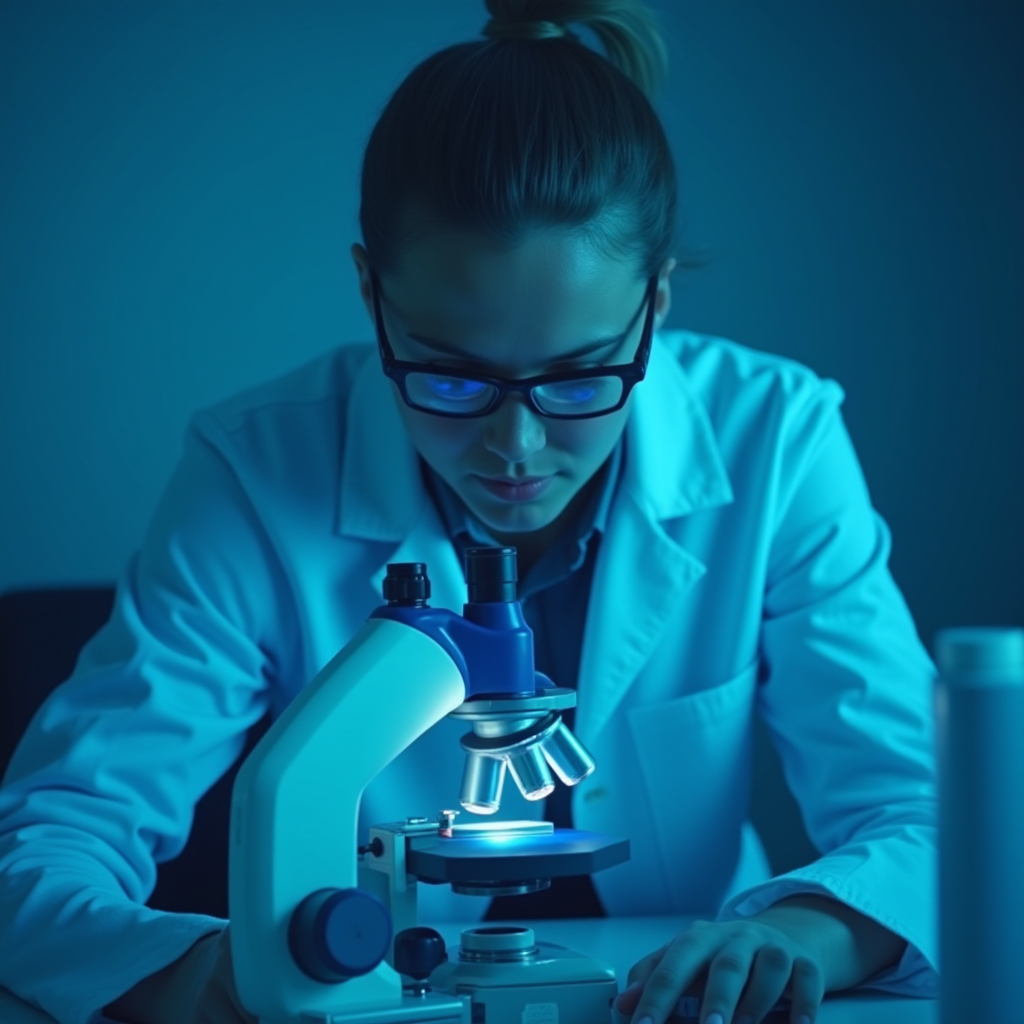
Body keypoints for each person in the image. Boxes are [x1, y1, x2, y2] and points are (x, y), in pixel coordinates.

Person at [0, 1, 940, 1023]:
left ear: (656, 304)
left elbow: (925, 811)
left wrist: (799, 932)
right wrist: (215, 977)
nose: (515, 447)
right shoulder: (253, 470)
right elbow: (43, 854)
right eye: (450, 378)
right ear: (371, 294)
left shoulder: (775, 437)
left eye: (580, 378)